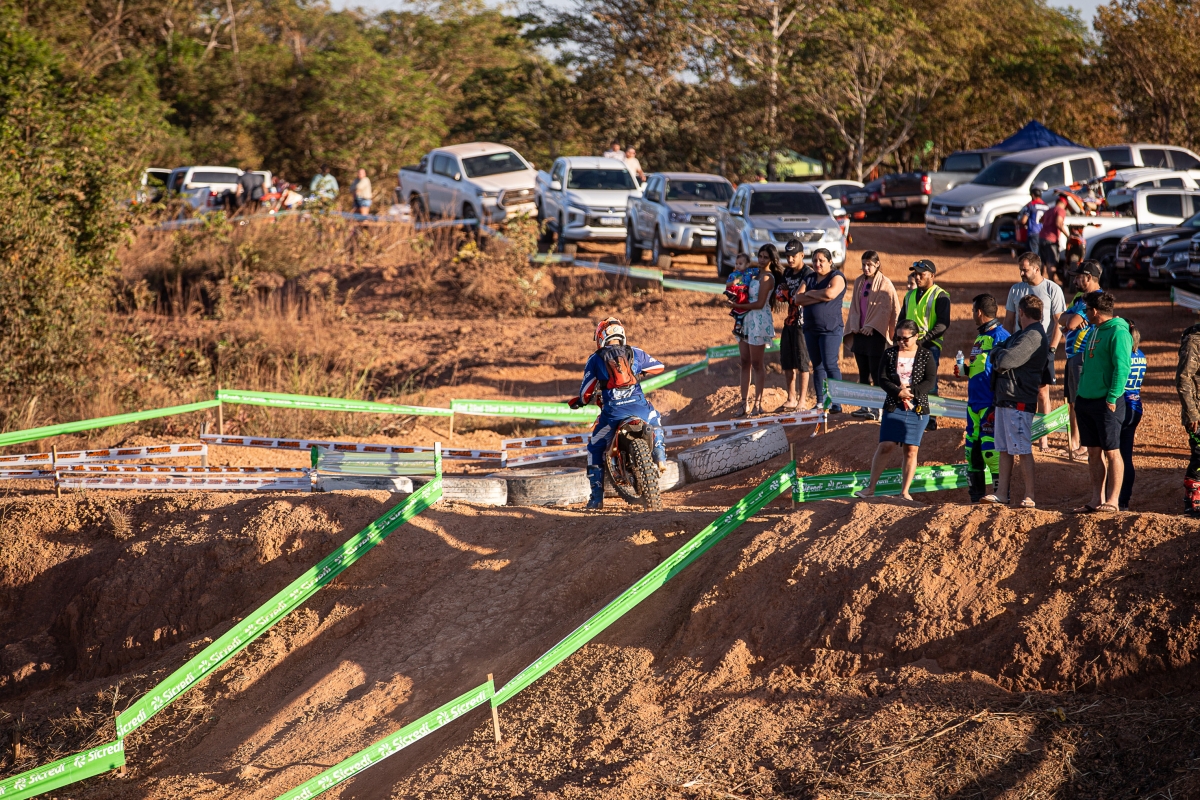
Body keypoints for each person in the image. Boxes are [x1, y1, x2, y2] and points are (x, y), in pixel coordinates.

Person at [573, 317, 667, 509]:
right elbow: (659, 367)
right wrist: (641, 370)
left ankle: (596, 499)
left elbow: (585, 393)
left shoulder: (595, 359)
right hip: (640, 409)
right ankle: (660, 454)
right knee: (655, 419)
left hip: (613, 414)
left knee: (594, 447)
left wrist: (581, 402)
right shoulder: (635, 352)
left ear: (600, 337)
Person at [854, 320, 936, 501]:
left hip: (917, 408)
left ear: (916, 336)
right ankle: (870, 488)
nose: (901, 342)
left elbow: (930, 381)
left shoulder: (926, 355)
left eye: (905, 338)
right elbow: (882, 378)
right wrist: (899, 392)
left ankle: (905, 492)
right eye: (898, 338)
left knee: (911, 449)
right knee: (886, 445)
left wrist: (911, 393)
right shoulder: (889, 353)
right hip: (894, 405)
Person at [985, 294, 1050, 508]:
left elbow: (1005, 359)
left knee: (1021, 448)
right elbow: (999, 351)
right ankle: (1001, 493)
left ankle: (1030, 495)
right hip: (1007, 397)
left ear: (1021, 312)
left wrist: (998, 355)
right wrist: (999, 353)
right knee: (1004, 448)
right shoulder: (1023, 334)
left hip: (1019, 398)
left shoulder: (1032, 336)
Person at [1074, 292, 1133, 513]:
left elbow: (1122, 367)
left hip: (1107, 403)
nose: (1084, 314)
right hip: (1086, 400)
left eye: (1086, 310)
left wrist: (1112, 396)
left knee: (1112, 451)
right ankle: (1096, 499)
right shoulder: (1094, 330)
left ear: (1095, 311)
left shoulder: (1119, 332)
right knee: (1093, 452)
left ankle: (1113, 500)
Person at [1005, 251, 1065, 451]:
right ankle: (1023, 434)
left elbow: (1059, 322)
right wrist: (1006, 346)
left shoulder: (1052, 289)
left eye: (1025, 270)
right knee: (1019, 391)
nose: (1021, 273)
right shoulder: (1015, 290)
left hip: (1041, 349)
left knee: (1042, 392)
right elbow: (1008, 321)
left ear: (1037, 269)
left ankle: (1043, 439)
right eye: (1020, 269)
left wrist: (1052, 349)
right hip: (1018, 348)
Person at [958, 294, 1010, 502]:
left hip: (990, 403)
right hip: (974, 403)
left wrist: (999, 400)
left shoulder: (1001, 336)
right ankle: (975, 500)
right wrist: (965, 370)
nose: (972, 314)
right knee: (972, 452)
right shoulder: (981, 337)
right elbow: (981, 368)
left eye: (973, 311)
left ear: (979, 312)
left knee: (991, 452)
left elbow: (1006, 370)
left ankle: (1001, 497)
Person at [728, 244, 781, 415]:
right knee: (745, 361)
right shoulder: (753, 273)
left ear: (772, 260)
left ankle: (758, 403)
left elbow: (759, 304)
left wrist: (737, 306)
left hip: (758, 320)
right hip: (745, 319)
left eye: (766, 257)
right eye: (760, 256)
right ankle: (744, 403)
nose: (762, 260)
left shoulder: (768, 278)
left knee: (757, 363)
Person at [792, 248, 847, 413]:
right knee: (817, 366)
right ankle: (821, 401)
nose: (817, 264)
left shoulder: (836, 276)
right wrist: (819, 296)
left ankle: (837, 403)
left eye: (821, 260)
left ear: (830, 261)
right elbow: (797, 298)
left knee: (830, 364)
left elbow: (830, 294)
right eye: (815, 260)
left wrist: (810, 294)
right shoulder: (809, 278)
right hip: (811, 328)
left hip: (830, 329)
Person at [897, 259, 950, 429]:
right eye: (915, 274)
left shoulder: (940, 295)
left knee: (929, 381)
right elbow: (901, 319)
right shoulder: (909, 295)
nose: (917, 277)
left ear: (932, 275)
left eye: (921, 274)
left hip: (930, 345)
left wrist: (923, 339)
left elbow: (943, 324)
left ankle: (930, 417)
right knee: (908, 379)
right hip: (909, 346)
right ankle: (912, 413)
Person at [1060, 260, 1104, 459]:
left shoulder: (1095, 299)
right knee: (1074, 401)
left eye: (1078, 277)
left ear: (1088, 277)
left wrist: (1068, 321)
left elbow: (1070, 323)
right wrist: (1068, 320)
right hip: (1073, 356)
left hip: (1084, 355)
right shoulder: (1081, 298)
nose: (1075, 281)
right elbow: (1061, 318)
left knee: (1083, 401)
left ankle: (1087, 446)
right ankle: (1078, 443)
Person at [847, 250, 898, 420]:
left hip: (876, 335)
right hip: (860, 333)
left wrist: (872, 325)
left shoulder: (885, 283)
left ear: (877, 264)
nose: (866, 268)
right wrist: (855, 324)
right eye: (863, 264)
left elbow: (886, 309)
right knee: (863, 372)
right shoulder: (859, 282)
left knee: (877, 373)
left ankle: (878, 409)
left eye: (869, 264)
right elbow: (854, 306)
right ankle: (864, 406)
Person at [776, 239, 812, 411]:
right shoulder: (788, 272)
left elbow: (800, 297)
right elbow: (779, 294)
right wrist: (787, 294)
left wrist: (787, 293)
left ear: (802, 255)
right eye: (788, 256)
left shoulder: (808, 273)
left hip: (803, 323)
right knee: (787, 362)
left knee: (803, 362)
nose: (790, 259)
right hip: (789, 321)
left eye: (794, 256)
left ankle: (802, 400)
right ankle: (791, 398)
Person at [1118, 321, 1146, 511]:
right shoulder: (1140, 354)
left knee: (1115, 455)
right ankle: (1124, 500)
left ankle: (1115, 497)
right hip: (1136, 405)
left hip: (1122, 406)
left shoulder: (1123, 354)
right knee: (1126, 455)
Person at [1177, 319, 1200, 517]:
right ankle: (1193, 500)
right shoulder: (1194, 341)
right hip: (1197, 412)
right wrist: (1192, 412)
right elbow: (1183, 378)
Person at [1037, 194, 1069, 280]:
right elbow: (1058, 223)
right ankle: (1051, 281)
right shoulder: (1061, 210)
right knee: (1052, 262)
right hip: (1051, 239)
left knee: (1042, 261)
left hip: (1041, 237)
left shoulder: (1049, 210)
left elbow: (1041, 220)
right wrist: (1068, 235)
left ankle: (1038, 281)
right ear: (1063, 203)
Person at [1016, 186, 1048, 254]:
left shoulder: (1031, 205)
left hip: (1033, 232)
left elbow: (1023, 221)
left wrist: (1017, 222)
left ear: (1033, 195)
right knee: (1041, 254)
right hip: (1044, 233)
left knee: (1033, 256)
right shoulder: (1046, 206)